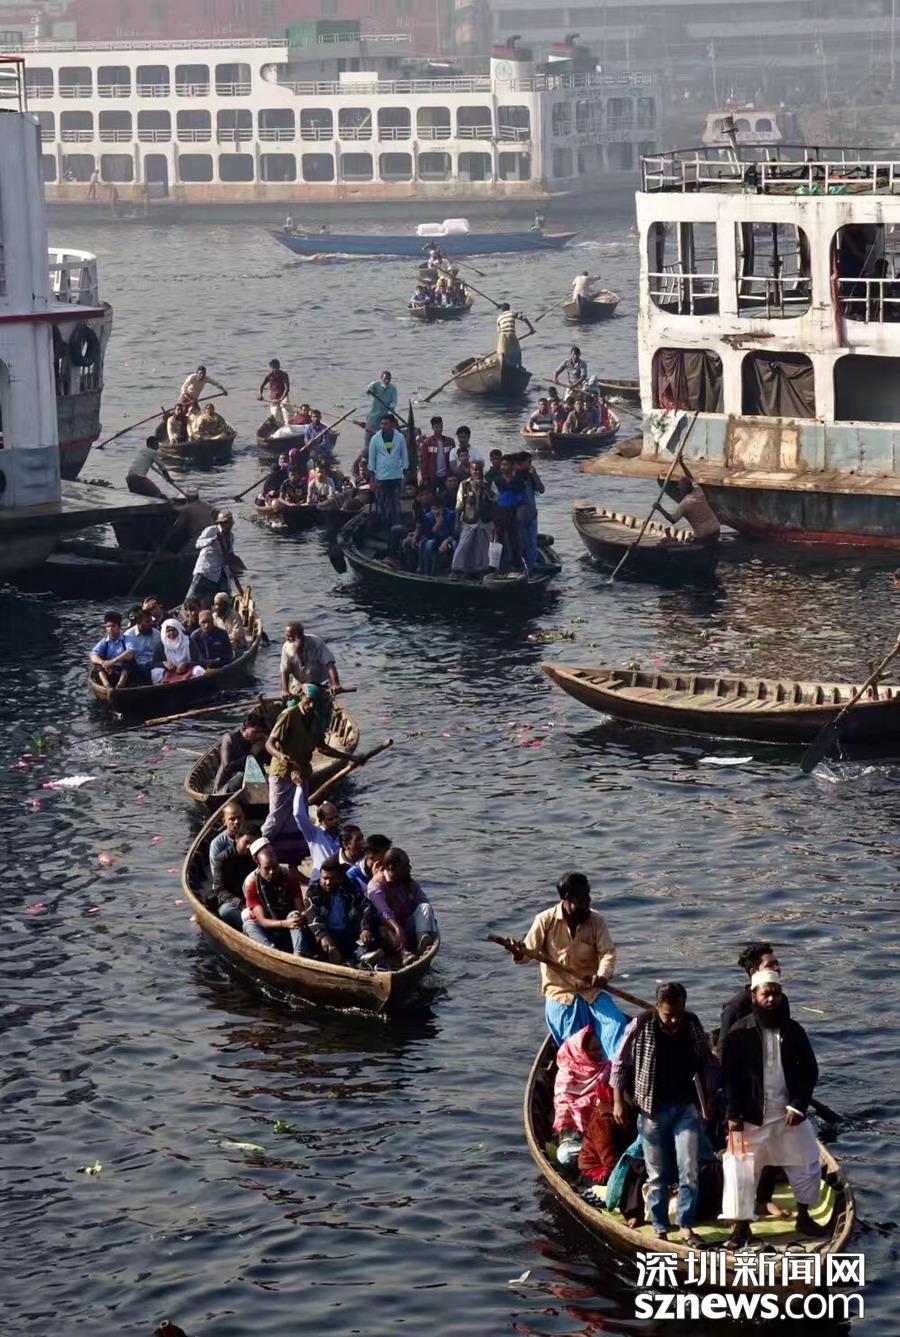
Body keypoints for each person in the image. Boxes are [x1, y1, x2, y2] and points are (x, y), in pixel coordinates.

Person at [722, 971, 829, 1249]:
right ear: (754, 996)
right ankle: (741, 1228)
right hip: (751, 1116)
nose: (771, 999)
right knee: (741, 1172)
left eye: (775, 994)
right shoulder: (739, 1033)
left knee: (807, 1161)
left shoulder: (793, 1030)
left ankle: (804, 1217)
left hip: (788, 1114)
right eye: (765, 994)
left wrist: (799, 1105)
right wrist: (733, 1115)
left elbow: (809, 1070)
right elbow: (729, 1078)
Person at [610, 982, 715, 1247]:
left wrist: (708, 1099)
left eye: (678, 1013)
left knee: (689, 1169)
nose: (674, 1020)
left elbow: (705, 1062)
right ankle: (660, 1227)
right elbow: (620, 1064)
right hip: (652, 1111)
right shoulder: (641, 1025)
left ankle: (686, 1226)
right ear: (658, 1008)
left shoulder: (692, 1024)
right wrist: (618, 1102)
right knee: (657, 1174)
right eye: (668, 1015)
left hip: (685, 1108)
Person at [509, 872, 627, 1054]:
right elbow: (528, 954)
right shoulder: (545, 920)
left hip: (591, 991)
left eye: (588, 894)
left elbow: (607, 953)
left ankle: (614, 1068)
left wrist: (602, 976)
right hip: (561, 995)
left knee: (617, 1024)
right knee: (578, 1043)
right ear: (568, 898)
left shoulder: (596, 920)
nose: (589, 901)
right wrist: (518, 953)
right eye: (584, 897)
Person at [261, 684, 361, 853]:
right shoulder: (289, 715)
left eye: (316, 702)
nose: (312, 705)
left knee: (299, 817)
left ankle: (295, 851)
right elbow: (269, 744)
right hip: (282, 773)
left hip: (302, 773)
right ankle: (259, 846)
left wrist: (351, 758)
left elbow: (323, 748)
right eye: (309, 701)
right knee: (277, 817)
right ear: (302, 698)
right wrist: (280, 756)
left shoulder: (315, 719)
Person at [366, 846, 438, 965]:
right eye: (405, 865)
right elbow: (383, 912)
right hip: (386, 930)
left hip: (407, 925)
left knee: (425, 907)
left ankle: (422, 940)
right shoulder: (376, 884)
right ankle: (404, 953)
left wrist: (430, 922)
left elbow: (422, 901)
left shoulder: (408, 882)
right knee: (386, 930)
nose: (409, 868)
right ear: (391, 867)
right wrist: (397, 928)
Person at [305, 856, 379, 965]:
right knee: (325, 950)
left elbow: (366, 906)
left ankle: (362, 958)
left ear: (341, 878)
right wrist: (324, 937)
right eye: (324, 878)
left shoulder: (350, 887)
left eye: (332, 878)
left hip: (349, 934)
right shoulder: (314, 892)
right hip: (329, 936)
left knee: (376, 936)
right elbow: (312, 916)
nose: (328, 882)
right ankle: (358, 960)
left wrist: (366, 928)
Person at [243, 839, 307, 954]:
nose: (272, 872)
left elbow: (299, 907)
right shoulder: (252, 884)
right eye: (267, 869)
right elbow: (262, 921)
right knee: (249, 925)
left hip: (289, 925)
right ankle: (273, 953)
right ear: (258, 865)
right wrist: (284, 923)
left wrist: (301, 916)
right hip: (269, 928)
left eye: (275, 867)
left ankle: (299, 954)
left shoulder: (289, 877)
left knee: (294, 914)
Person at [185, 510, 244, 605]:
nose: (228, 525)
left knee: (221, 598)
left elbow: (229, 553)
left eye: (230, 523)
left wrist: (232, 562)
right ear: (221, 523)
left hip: (220, 571)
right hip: (206, 570)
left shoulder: (231, 536)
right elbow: (198, 544)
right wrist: (212, 540)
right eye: (225, 523)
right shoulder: (211, 530)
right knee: (193, 598)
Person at [452, 462, 494, 576]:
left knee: (482, 547)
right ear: (470, 470)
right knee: (464, 545)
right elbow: (459, 504)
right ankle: (457, 569)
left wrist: (484, 488)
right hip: (469, 520)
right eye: (475, 470)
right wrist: (457, 522)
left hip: (485, 520)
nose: (477, 472)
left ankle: (480, 570)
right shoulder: (464, 484)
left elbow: (495, 498)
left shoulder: (489, 483)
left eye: (479, 469)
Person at [654, 473, 721, 545]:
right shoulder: (699, 491)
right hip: (716, 529)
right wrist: (683, 467)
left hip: (704, 536)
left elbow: (672, 519)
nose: (679, 489)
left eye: (680, 488)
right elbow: (691, 478)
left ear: (683, 489)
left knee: (687, 541)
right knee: (690, 538)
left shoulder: (685, 504)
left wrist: (659, 508)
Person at [367, 414, 408, 530]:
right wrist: (372, 479)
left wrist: (405, 474)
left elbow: (404, 456)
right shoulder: (375, 439)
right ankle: (385, 525)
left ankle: (397, 524)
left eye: (386, 424)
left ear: (392, 424)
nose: (383, 426)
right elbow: (371, 459)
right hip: (382, 477)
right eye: (381, 424)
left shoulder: (400, 437)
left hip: (396, 475)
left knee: (396, 502)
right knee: (383, 502)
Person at [279, 621, 342, 696]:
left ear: (300, 635)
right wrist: (285, 690)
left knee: (314, 693)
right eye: (287, 636)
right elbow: (284, 671)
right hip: (299, 684)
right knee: (293, 700)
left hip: (320, 684)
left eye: (292, 637)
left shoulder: (316, 642)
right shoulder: (287, 647)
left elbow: (329, 664)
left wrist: (335, 684)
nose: (289, 639)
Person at [292, 791, 341, 884]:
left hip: (339, 880)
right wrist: (299, 788)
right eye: (330, 819)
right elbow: (298, 814)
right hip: (319, 882)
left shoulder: (343, 836)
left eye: (337, 817)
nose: (335, 821)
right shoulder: (314, 834)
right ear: (321, 821)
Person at [213, 711, 268, 792]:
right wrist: (252, 753)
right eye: (255, 732)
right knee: (245, 775)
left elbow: (268, 761)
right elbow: (228, 767)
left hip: (254, 785)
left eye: (260, 732)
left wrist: (268, 746)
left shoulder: (258, 741)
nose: (258, 735)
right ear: (243, 729)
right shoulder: (230, 738)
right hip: (225, 787)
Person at [514, 450, 544, 572]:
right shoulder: (514, 477)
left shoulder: (531, 476)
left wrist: (535, 475)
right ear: (521, 463)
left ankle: (532, 566)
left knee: (532, 542)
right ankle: (520, 567)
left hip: (531, 515)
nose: (531, 464)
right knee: (520, 543)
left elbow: (541, 489)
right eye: (529, 462)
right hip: (518, 516)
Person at [152, 618, 205, 685]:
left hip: (188, 670)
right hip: (170, 672)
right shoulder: (161, 645)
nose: (171, 633)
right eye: (168, 631)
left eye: (173, 630)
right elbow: (154, 663)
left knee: (199, 670)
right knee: (155, 672)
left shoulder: (188, 641)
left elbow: (198, 660)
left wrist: (186, 664)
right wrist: (164, 664)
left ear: (178, 630)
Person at [90, 611, 134, 688]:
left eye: (113, 626)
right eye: (108, 626)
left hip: (123, 672)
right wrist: (103, 663)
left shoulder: (127, 639)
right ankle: (107, 685)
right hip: (110, 670)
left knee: (129, 662)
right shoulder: (105, 642)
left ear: (119, 627)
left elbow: (130, 653)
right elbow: (93, 655)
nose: (110, 629)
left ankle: (120, 685)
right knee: (97, 664)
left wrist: (112, 662)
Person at [123, 605, 162, 684]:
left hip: (153, 664)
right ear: (139, 623)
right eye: (147, 622)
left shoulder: (157, 633)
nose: (151, 623)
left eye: (151, 621)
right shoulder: (129, 635)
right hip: (136, 666)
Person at [418, 497, 456, 576]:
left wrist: (446, 541)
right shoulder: (428, 517)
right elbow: (428, 535)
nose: (436, 511)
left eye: (438, 508)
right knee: (429, 544)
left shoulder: (451, 515)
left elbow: (454, 533)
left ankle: (454, 571)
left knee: (454, 543)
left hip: (448, 539)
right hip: (435, 539)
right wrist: (437, 525)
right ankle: (426, 572)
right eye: (434, 509)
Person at [419, 416, 454, 495]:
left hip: (446, 476)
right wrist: (425, 477)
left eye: (440, 427)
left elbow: (453, 459)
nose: (439, 429)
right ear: (432, 428)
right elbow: (424, 461)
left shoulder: (450, 441)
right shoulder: (427, 443)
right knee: (432, 496)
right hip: (432, 476)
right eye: (436, 427)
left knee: (446, 496)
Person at [496, 303, 535, 368]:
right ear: (509, 308)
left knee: (502, 351)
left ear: (502, 310)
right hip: (511, 334)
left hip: (502, 336)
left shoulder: (499, 317)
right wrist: (531, 329)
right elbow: (524, 318)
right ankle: (520, 365)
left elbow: (498, 331)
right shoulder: (512, 313)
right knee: (517, 350)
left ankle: (502, 365)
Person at [364, 370, 397, 443]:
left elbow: (394, 401)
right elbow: (368, 388)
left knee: (383, 437)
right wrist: (369, 391)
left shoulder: (392, 389)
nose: (386, 381)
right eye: (385, 379)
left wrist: (391, 407)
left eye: (388, 379)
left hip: (383, 417)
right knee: (369, 435)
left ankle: (385, 447)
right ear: (381, 378)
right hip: (373, 416)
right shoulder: (376, 384)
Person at [258, 359, 290, 427]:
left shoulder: (284, 375)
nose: (275, 369)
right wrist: (260, 395)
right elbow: (261, 387)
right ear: (271, 368)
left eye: (277, 367)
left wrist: (281, 399)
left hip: (283, 396)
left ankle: (288, 426)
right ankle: (279, 426)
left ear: (279, 366)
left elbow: (287, 389)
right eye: (274, 368)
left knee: (285, 410)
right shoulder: (269, 376)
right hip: (273, 398)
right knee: (275, 413)